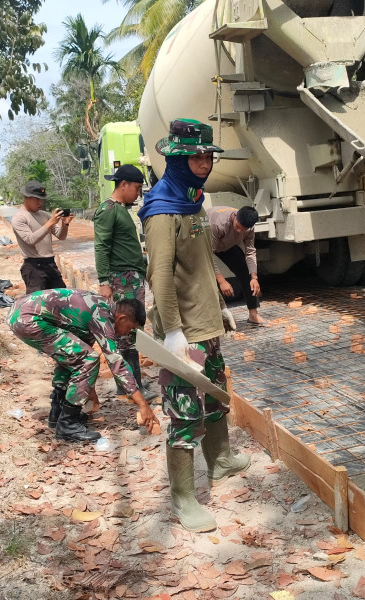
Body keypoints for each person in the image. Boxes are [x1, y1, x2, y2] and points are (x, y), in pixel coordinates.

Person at [138, 119, 249, 533]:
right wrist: (171, 331)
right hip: (183, 331)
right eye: (196, 156)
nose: (204, 162)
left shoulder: (192, 200)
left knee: (216, 396)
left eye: (208, 155)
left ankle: (220, 460)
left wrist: (219, 304)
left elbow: (200, 263)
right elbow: (161, 275)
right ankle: (184, 499)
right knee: (185, 416)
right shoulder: (163, 210)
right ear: (176, 158)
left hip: (206, 325)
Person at [8, 289, 159, 443]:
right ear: (122, 318)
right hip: (28, 319)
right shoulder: (102, 316)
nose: (127, 333)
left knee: (75, 355)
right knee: (89, 359)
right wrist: (143, 404)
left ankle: (58, 411)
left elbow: (77, 354)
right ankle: (68, 424)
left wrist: (88, 388)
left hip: (21, 313)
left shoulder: (98, 309)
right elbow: (117, 364)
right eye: (130, 328)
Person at [94, 164, 158, 401]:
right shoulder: (108, 210)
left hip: (130, 277)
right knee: (126, 332)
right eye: (137, 188)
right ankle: (131, 387)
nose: (138, 193)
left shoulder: (119, 209)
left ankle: (132, 384)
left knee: (132, 332)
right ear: (124, 185)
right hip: (121, 279)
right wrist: (103, 281)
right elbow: (101, 246)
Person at [207, 205, 266, 325]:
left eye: (243, 230)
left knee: (246, 273)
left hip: (226, 244)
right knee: (205, 279)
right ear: (234, 216)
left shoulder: (249, 227)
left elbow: (250, 251)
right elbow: (208, 254)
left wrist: (254, 278)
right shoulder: (218, 224)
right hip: (204, 245)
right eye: (238, 227)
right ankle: (212, 320)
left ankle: (253, 315)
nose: (240, 231)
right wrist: (222, 281)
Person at [11, 180, 72, 293]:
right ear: (27, 197)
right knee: (37, 303)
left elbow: (61, 236)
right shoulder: (20, 218)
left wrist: (65, 223)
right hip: (33, 266)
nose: (40, 203)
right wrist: (50, 223)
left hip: (50, 263)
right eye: (37, 199)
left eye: (42, 199)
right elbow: (30, 239)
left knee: (61, 298)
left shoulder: (44, 215)